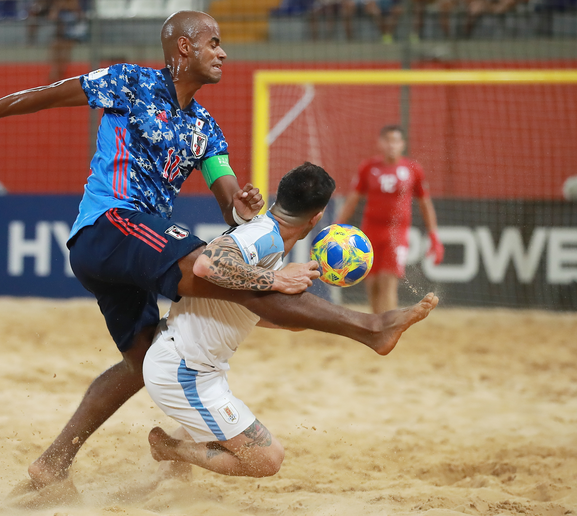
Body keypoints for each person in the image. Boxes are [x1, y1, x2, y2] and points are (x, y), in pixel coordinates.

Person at [0, 11, 438, 497]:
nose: (223, 51)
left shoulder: (207, 128)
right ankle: (370, 327)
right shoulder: (127, 81)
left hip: (132, 249)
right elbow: (50, 96)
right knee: (225, 274)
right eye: (213, 42)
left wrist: (241, 206)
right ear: (184, 47)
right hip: (111, 222)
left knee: (144, 362)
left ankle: (54, 461)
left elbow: (228, 202)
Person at [144, 163, 438, 479]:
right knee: (266, 459)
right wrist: (275, 280)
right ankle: (169, 449)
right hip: (184, 371)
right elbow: (207, 265)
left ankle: (168, 474)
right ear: (316, 218)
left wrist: (284, 317)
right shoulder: (263, 235)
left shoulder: (267, 236)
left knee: (207, 441)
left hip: (192, 363)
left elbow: (230, 298)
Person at [336, 125, 444, 314]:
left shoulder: (413, 169)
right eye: (387, 140)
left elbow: (425, 204)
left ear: (402, 144)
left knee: (388, 280)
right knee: (372, 283)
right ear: (380, 143)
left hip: (397, 233)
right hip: (370, 230)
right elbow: (352, 201)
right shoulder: (368, 167)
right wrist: (337, 228)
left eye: (395, 141)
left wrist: (434, 236)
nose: (391, 145)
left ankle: (388, 327)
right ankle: (377, 324)